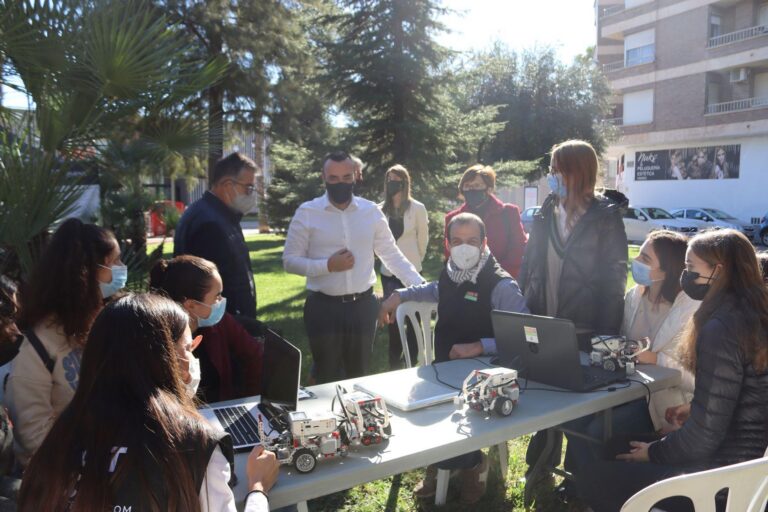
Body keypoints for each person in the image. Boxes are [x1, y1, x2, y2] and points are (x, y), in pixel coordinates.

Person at [16, 293, 279, 511]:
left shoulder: (58, 440)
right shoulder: (195, 447)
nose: (191, 361)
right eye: (188, 349)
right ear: (167, 361)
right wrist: (258, 488)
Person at [578, 229, 768, 512]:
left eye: (690, 267)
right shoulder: (752, 315)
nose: (685, 275)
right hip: (747, 469)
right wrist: (695, 408)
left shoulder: (722, 328)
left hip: (721, 480)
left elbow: (704, 439)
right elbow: (743, 395)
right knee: (616, 445)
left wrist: (654, 452)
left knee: (593, 478)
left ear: (718, 271)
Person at [379, 212, 528, 504]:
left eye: (472, 241)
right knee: (421, 414)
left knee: (451, 419)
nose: (464, 248)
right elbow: (436, 290)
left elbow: (524, 334)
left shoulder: (500, 285)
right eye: (457, 241)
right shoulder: (452, 273)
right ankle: (452, 462)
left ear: (484, 243)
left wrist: (480, 346)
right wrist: (400, 295)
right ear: (447, 244)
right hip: (445, 371)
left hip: (485, 378)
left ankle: (469, 463)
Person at [519, 140, 628, 490]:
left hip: (584, 326)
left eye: (557, 170)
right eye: (551, 169)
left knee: (579, 410)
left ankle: (577, 480)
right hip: (543, 320)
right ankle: (539, 467)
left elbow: (613, 280)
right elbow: (529, 265)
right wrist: (522, 308)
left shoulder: (605, 218)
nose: (551, 176)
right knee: (543, 398)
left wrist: (604, 336)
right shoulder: (546, 212)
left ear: (577, 172)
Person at [566, 230, 700, 476]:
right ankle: (583, 480)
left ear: (666, 271)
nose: (636, 261)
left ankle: (596, 484)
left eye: (645, 259)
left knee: (597, 432)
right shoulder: (635, 296)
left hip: (660, 402)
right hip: (620, 387)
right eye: (639, 255)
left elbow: (696, 377)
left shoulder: (690, 310)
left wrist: (655, 359)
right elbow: (621, 340)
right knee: (571, 419)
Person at [283, 150, 423, 384]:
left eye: (346, 177)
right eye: (333, 178)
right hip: (323, 308)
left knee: (359, 377)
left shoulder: (371, 212)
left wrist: (420, 285)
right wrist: (328, 265)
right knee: (327, 377)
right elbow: (290, 261)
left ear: (356, 176)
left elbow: (391, 255)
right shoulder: (307, 213)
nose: (340, 183)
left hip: (363, 308)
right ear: (323, 177)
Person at [6, 218, 124, 467]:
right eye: (114, 262)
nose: (121, 269)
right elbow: (33, 437)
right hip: (62, 474)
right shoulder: (35, 347)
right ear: (87, 272)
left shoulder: (108, 322)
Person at [150, 255, 264, 403]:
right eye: (217, 296)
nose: (221, 301)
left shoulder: (221, 322)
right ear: (191, 305)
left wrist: (250, 401)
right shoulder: (157, 339)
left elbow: (254, 355)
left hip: (221, 408)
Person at [174, 152, 260, 321]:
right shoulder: (209, 224)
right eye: (249, 188)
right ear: (228, 185)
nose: (252, 194)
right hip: (220, 325)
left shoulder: (222, 216)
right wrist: (239, 327)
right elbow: (209, 291)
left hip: (231, 322)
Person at [378, 164, 429, 368]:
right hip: (389, 273)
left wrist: (416, 261)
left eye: (397, 180)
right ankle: (394, 361)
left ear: (405, 182)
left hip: (412, 271)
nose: (393, 183)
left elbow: (423, 240)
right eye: (390, 180)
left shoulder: (418, 208)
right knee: (393, 318)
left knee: (413, 317)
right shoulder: (379, 209)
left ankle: (412, 358)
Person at [445, 164, 527, 278]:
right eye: (467, 185)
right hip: (465, 280)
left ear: (489, 189)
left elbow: (518, 249)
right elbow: (450, 254)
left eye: (477, 185)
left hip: (502, 279)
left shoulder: (509, 213)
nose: (472, 189)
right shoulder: (452, 218)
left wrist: (498, 276)